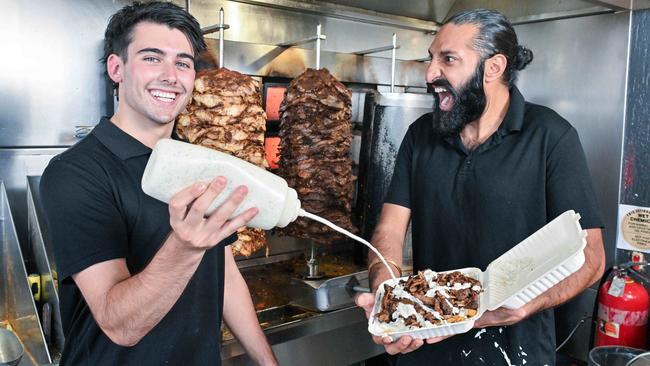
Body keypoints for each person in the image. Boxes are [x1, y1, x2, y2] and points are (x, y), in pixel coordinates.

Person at [356, 8, 605, 366]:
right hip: (428, 346)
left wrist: (523, 308)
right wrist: (389, 299)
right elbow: (388, 233)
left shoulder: (550, 136)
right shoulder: (421, 135)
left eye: (449, 60)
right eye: (432, 59)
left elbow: (592, 258)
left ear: (494, 67)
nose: (430, 73)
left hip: (517, 352)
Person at [40, 2, 277, 365]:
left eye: (183, 63)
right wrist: (183, 247)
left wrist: (267, 361)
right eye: (152, 58)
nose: (172, 75)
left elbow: (224, 273)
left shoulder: (200, 162)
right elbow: (119, 324)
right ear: (116, 68)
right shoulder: (75, 172)